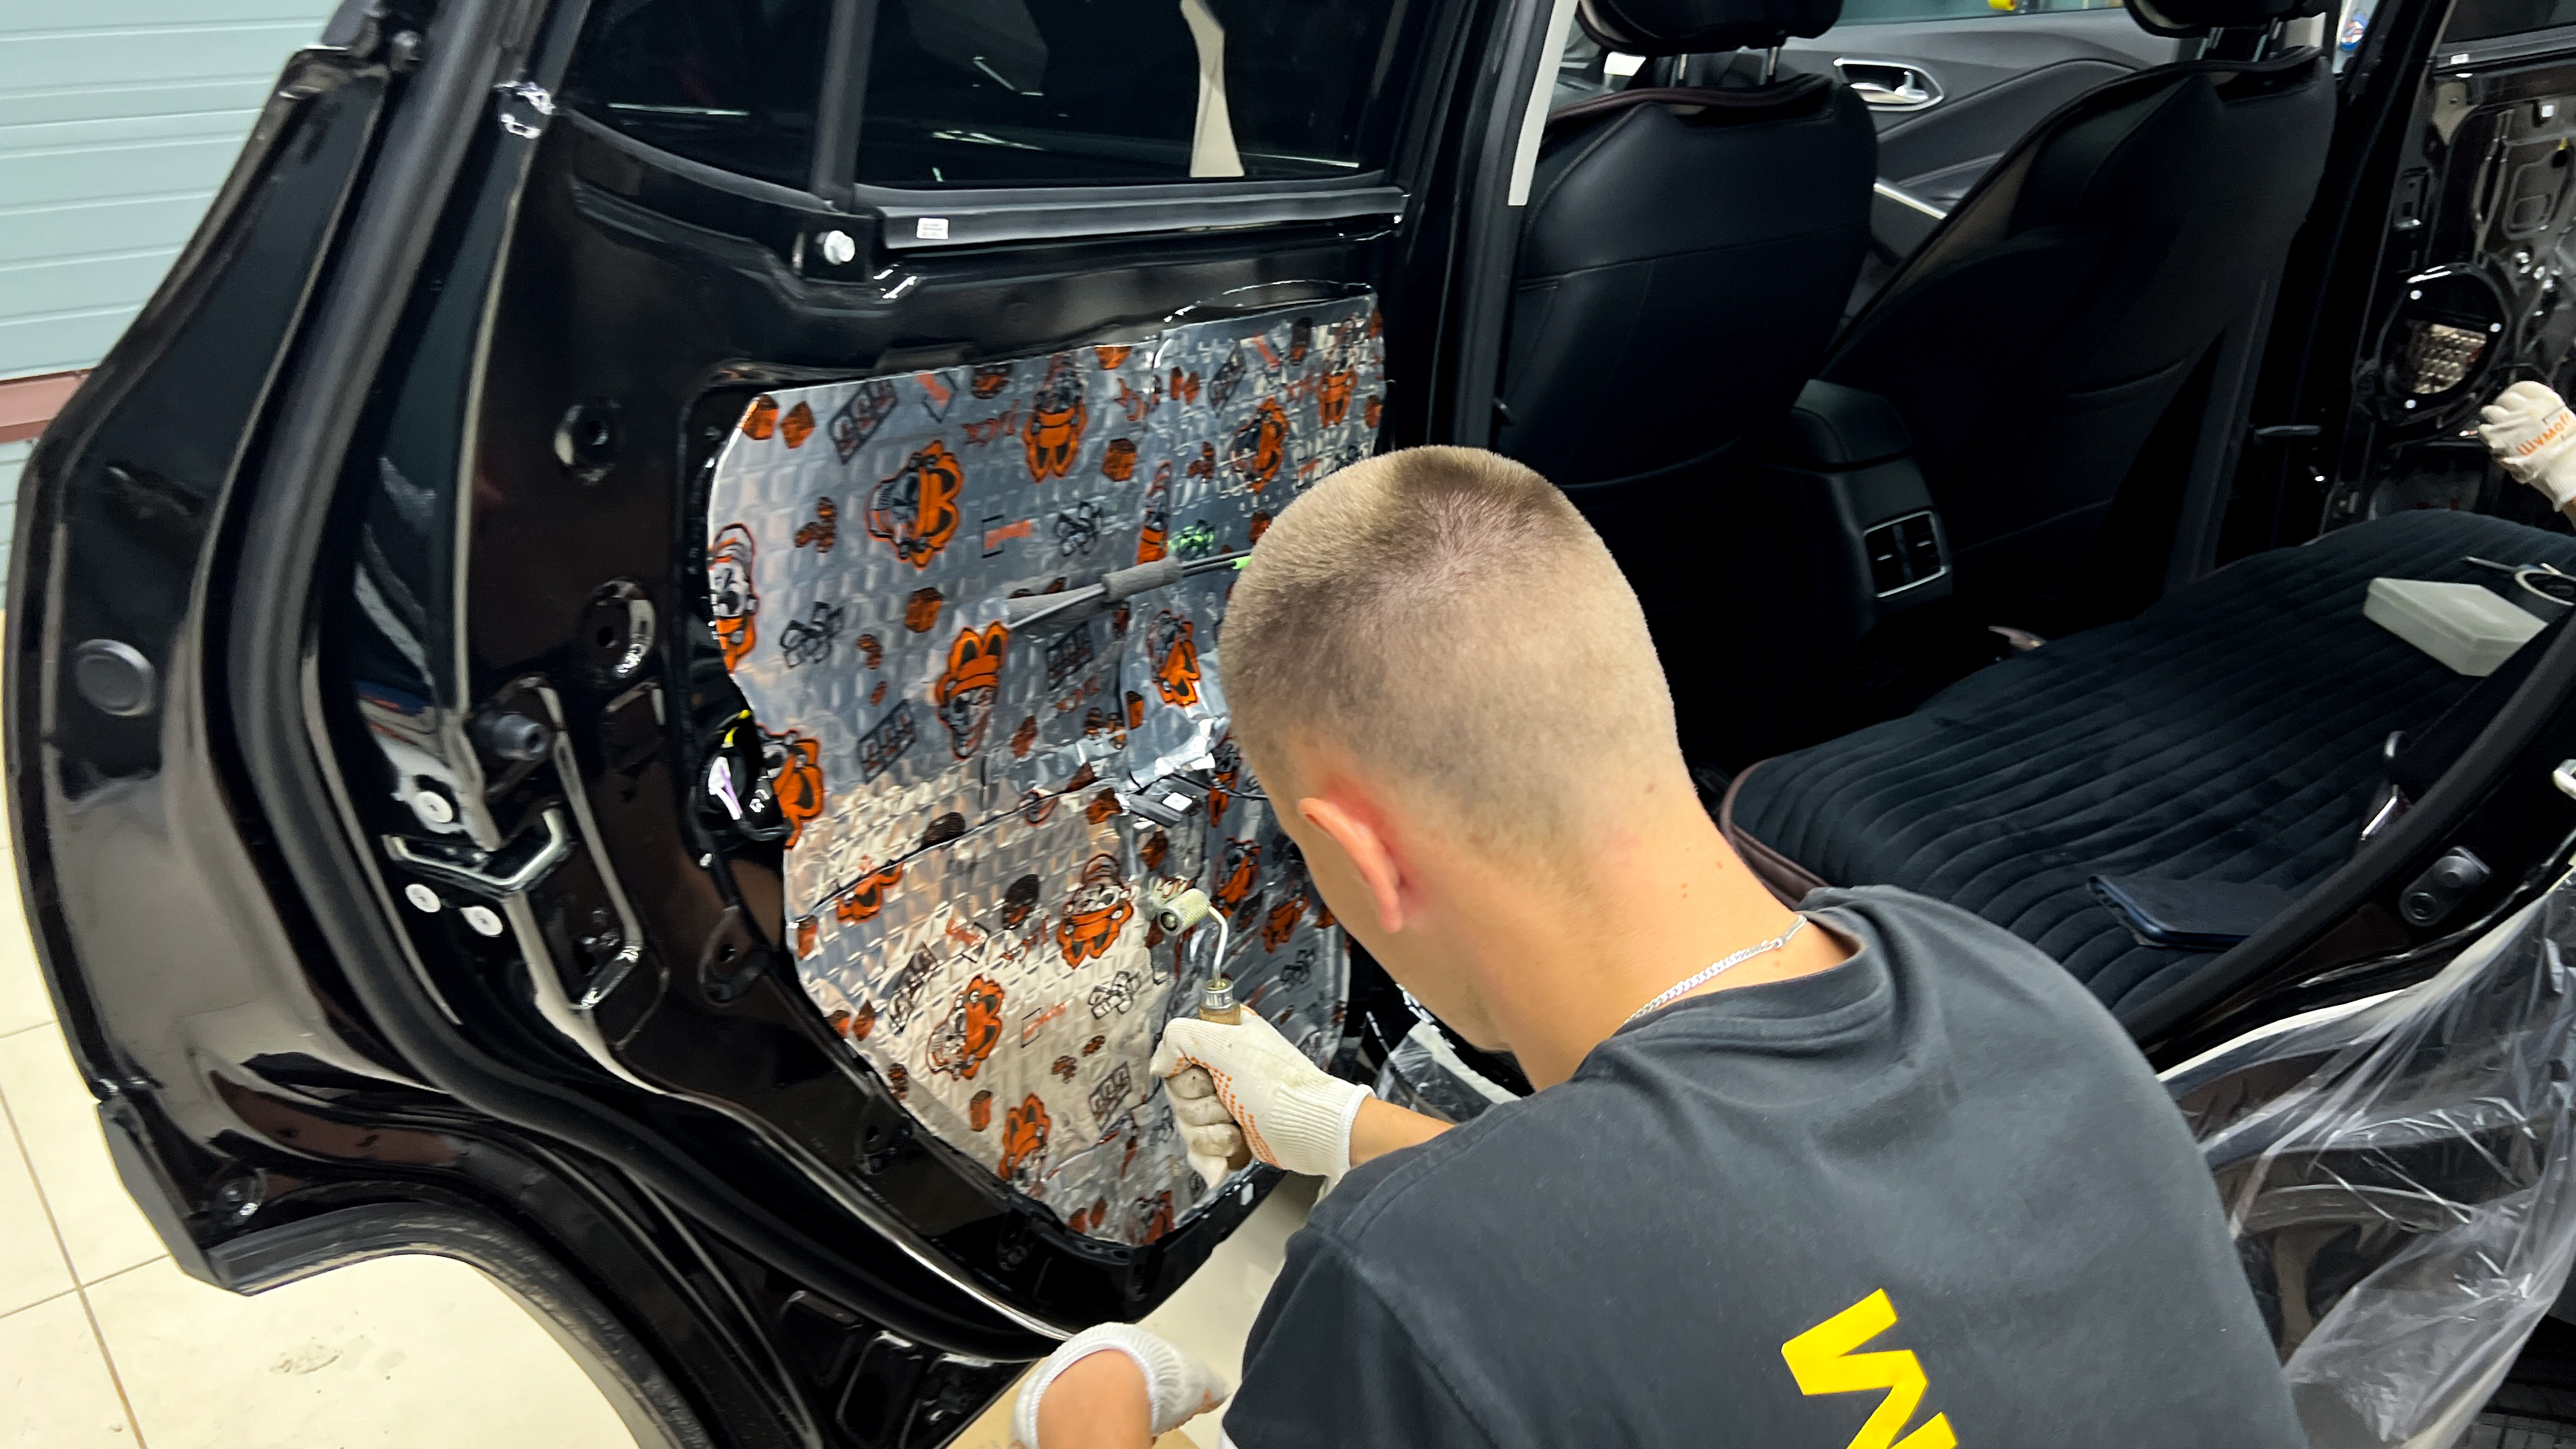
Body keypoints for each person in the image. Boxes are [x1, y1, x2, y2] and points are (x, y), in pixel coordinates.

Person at [1011, 447, 2303, 1449]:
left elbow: (1604, 1260)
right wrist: (1339, 1126)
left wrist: (1095, 1391)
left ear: (1364, 855)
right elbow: (1729, 1244)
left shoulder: (1409, 1282)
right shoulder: (1989, 976)